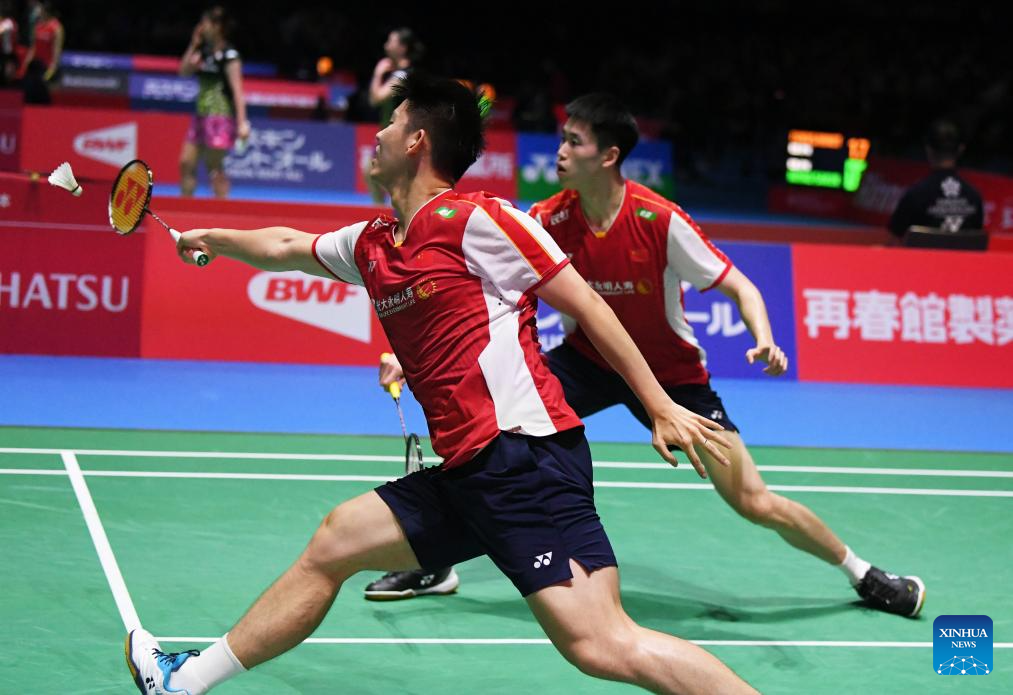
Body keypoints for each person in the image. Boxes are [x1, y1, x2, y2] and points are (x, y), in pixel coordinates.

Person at [125, 73, 756, 695]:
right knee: (336, 541)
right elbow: (287, 245)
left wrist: (658, 403)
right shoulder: (374, 243)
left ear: (417, 141)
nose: (377, 134)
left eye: (391, 123)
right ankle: (185, 681)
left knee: (604, 644)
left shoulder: (479, 220)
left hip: (523, 459)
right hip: (469, 470)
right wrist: (213, 239)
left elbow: (588, 304)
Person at [372, 93, 926, 620]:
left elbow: (740, 286)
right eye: (561, 139)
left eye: (574, 142)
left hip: (672, 380)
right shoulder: (547, 218)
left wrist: (764, 337)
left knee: (752, 498)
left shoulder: (658, 220)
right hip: (587, 364)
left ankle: (864, 574)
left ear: (609, 156)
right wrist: (408, 349)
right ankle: (435, 563)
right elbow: (469, 288)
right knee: (489, 438)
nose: (560, 152)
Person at [178, 5, 250, 198]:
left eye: (205, 23)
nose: (201, 27)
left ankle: (221, 210)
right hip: (200, 117)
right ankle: (184, 208)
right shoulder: (203, 52)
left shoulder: (230, 56)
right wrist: (193, 44)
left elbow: (238, 91)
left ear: (217, 26)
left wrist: (242, 123)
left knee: (214, 168)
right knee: (186, 163)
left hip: (220, 117)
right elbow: (183, 71)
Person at [888, 119, 985, 243]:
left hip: (921, 256)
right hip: (960, 257)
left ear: (928, 150)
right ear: (961, 149)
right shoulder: (974, 197)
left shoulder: (915, 194)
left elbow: (894, 239)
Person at [363, 27, 423, 203]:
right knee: (372, 172)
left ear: (402, 48)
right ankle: (382, 211)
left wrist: (377, 73)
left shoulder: (402, 75)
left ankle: (386, 212)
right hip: (393, 133)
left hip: (401, 135)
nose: (386, 46)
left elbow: (376, 98)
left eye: (391, 42)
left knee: (377, 174)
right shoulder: (402, 74)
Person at [19, 0, 61, 104]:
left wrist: (52, 69)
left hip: (46, 68)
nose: (38, 12)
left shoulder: (56, 27)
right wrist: (25, 64)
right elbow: (33, 48)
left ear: (46, 11)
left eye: (40, 10)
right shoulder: (37, 25)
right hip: (35, 67)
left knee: (43, 97)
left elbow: (56, 51)